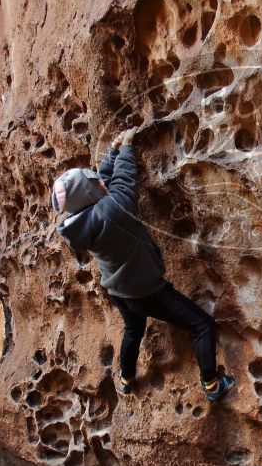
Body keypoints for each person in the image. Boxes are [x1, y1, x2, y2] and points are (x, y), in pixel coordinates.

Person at [50, 126, 236, 402]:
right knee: (202, 325)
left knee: (133, 331)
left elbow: (101, 181)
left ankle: (125, 379)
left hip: (119, 292)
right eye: (94, 184)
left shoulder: (82, 221)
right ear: (90, 194)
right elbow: (124, 182)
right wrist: (126, 147)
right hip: (148, 292)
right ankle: (212, 385)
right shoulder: (112, 210)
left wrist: (113, 151)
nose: (102, 183)